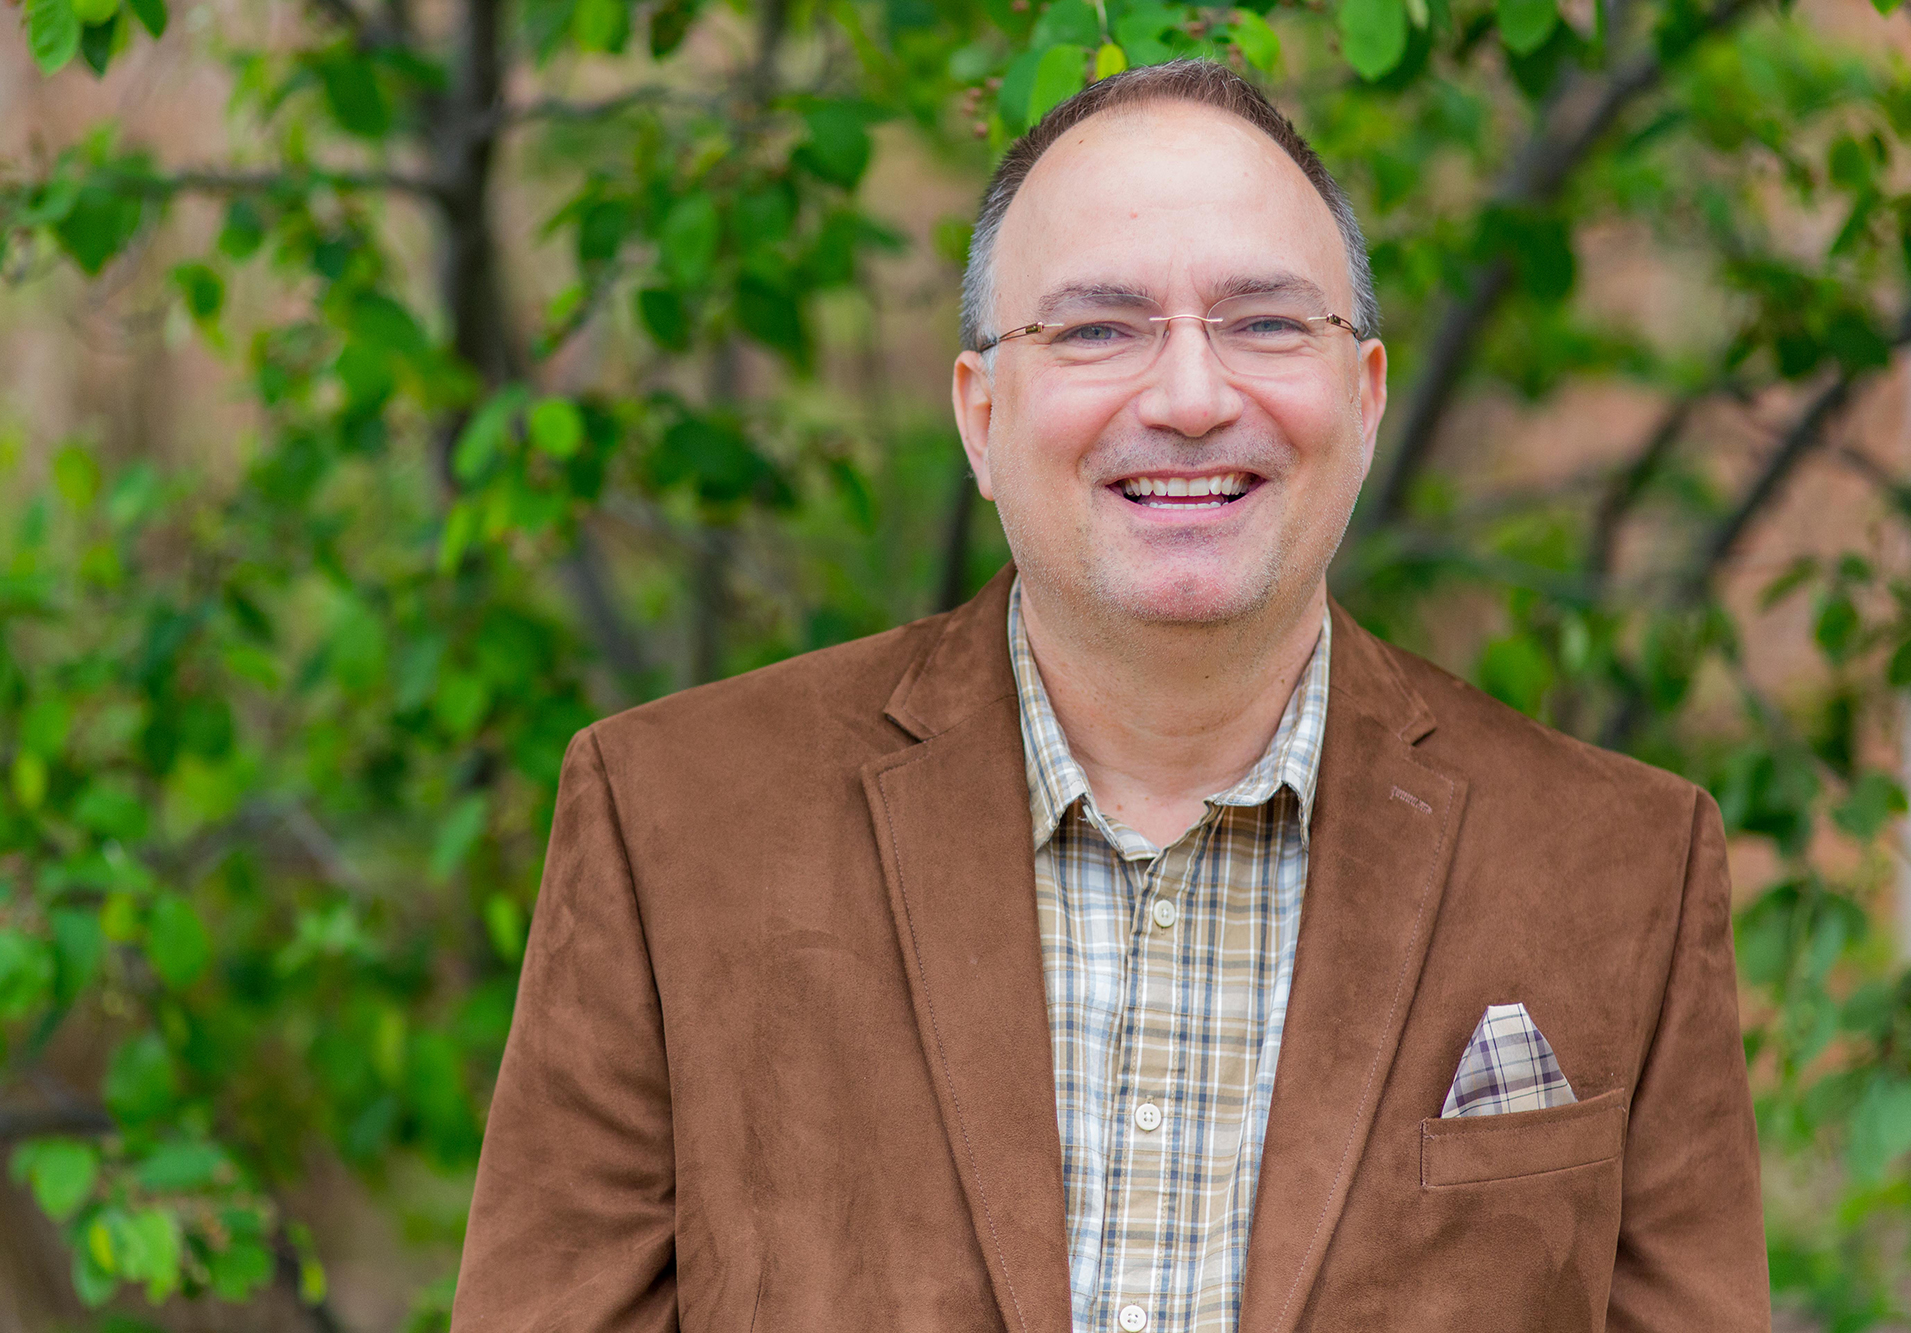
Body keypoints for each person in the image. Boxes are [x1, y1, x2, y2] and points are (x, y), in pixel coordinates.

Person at [452, 57, 1769, 1333]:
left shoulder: (1621, 869)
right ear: (980, 414)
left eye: (1264, 322)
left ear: (1363, 402)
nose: (1191, 395)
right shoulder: (675, 820)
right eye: (1098, 328)